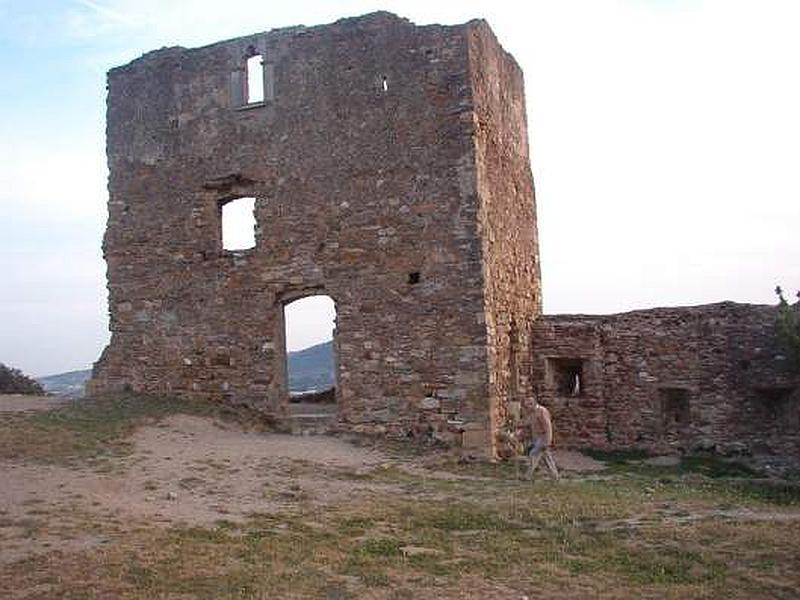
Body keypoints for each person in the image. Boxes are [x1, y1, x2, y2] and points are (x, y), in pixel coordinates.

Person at [516, 398, 559, 481]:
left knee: (533, 454)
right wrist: (518, 425)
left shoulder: (542, 411)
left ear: (533, 404)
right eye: (525, 406)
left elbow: (547, 427)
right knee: (547, 458)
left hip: (543, 438)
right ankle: (555, 476)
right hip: (537, 438)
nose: (526, 408)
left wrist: (547, 440)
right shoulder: (532, 413)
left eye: (528, 405)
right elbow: (527, 423)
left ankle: (527, 476)